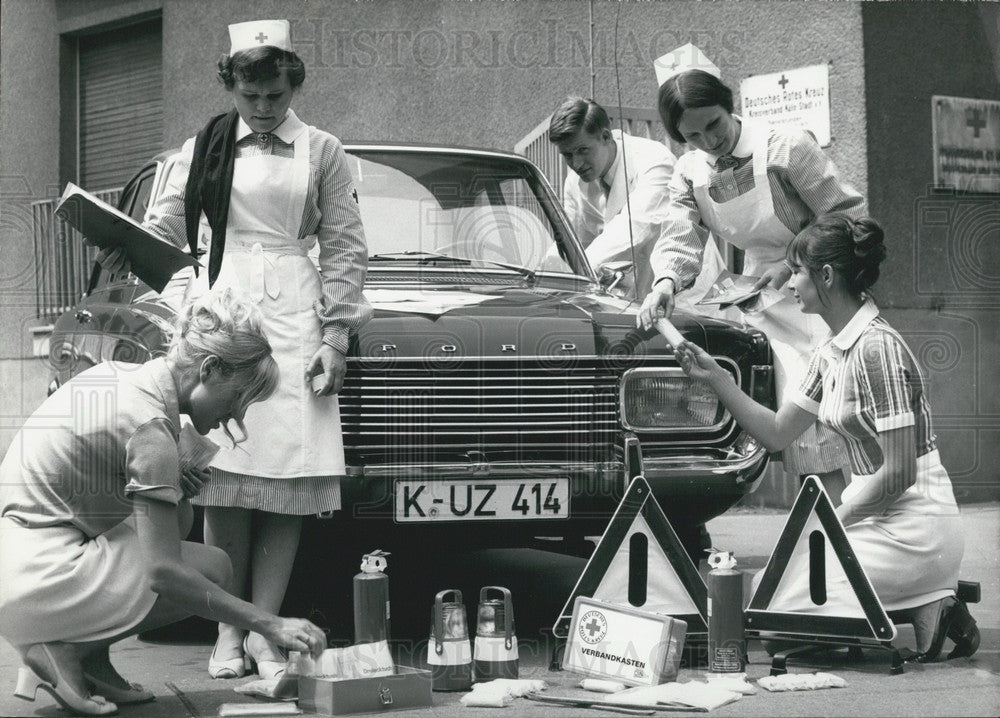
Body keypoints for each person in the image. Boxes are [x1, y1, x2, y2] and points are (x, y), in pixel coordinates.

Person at [122, 20, 371, 680]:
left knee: (286, 479)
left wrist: (337, 337)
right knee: (225, 480)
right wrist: (185, 304)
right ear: (231, 84)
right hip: (222, 311)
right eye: (251, 95)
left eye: (276, 96)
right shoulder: (201, 147)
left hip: (294, 317)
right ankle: (229, 631)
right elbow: (159, 237)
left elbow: (345, 246)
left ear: (294, 85)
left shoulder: (323, 150)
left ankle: (267, 629)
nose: (263, 109)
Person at [0, 290, 328, 716]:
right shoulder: (151, 428)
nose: (237, 419)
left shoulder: (126, 377)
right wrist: (269, 623)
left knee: (194, 556)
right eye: (237, 401)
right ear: (210, 369)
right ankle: (63, 651)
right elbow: (163, 572)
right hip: (36, 577)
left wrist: (178, 490)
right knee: (213, 568)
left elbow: (157, 528)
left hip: (19, 564)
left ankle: (93, 660)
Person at [673, 214, 979, 661]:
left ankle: (927, 599)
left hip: (918, 530)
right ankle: (921, 606)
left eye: (797, 270)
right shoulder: (831, 350)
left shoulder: (878, 348)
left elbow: (898, 473)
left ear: (827, 277)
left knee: (778, 624)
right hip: (877, 522)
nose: (790, 283)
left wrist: (829, 525)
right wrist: (717, 378)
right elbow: (778, 433)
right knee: (769, 604)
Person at [638, 44, 865, 502]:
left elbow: (846, 215)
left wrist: (791, 264)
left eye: (714, 125)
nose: (709, 142)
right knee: (793, 416)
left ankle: (852, 533)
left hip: (824, 287)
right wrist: (665, 281)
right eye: (692, 136)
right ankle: (822, 532)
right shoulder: (689, 174)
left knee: (832, 415)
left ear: (730, 105)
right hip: (764, 299)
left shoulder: (785, 146)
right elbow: (681, 234)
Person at [548, 96, 725, 302]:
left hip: (688, 289)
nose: (576, 163)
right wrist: (545, 276)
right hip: (637, 295)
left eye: (582, 150)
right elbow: (572, 242)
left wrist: (580, 276)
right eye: (568, 155)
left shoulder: (653, 159)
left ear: (605, 136)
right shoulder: (575, 182)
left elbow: (635, 227)